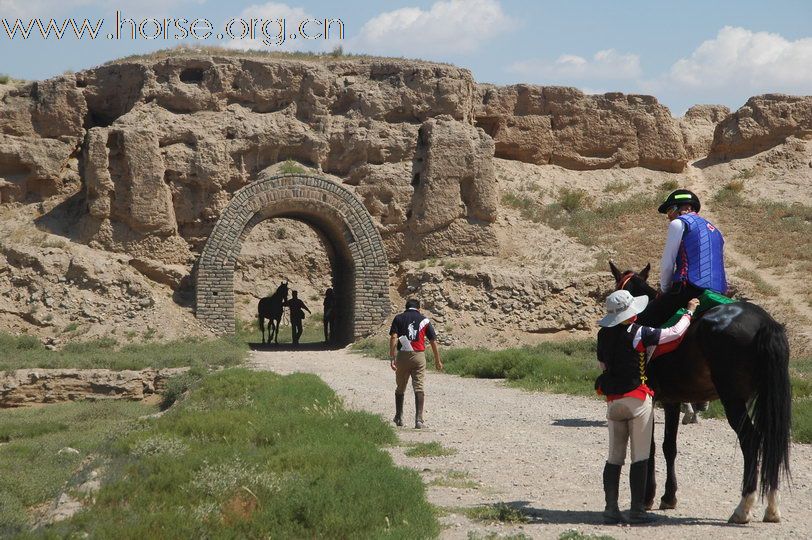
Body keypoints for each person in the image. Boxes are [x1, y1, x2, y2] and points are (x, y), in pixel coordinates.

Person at [595, 289, 699, 524]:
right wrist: (689, 313)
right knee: (640, 456)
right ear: (631, 313)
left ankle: (611, 508)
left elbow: (602, 365)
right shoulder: (638, 332)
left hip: (613, 401)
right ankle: (637, 509)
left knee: (614, 457)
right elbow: (673, 334)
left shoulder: (603, 335)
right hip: (637, 399)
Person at [642, 189, 727, 328]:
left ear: (686, 208)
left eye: (670, 210)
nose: (669, 217)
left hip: (689, 288)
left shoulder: (679, 223)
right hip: (719, 293)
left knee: (643, 321)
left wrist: (664, 289)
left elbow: (667, 263)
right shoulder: (717, 232)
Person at [389, 299, 443, 429]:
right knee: (418, 387)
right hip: (419, 356)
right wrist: (437, 360)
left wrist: (392, 357)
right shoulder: (424, 320)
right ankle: (419, 420)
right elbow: (433, 341)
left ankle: (398, 417)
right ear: (419, 308)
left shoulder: (398, 318)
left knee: (400, 386)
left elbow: (393, 337)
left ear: (406, 307)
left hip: (403, 355)